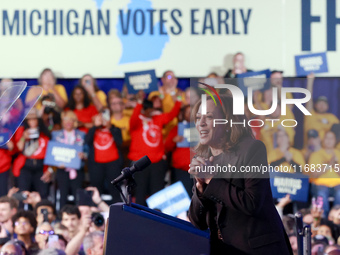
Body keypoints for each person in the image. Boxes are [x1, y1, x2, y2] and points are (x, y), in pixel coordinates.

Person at [188, 94, 292, 254]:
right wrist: (201, 189)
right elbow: (197, 223)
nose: (201, 123)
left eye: (208, 117)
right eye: (198, 117)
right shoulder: (202, 159)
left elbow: (252, 203)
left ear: (228, 122)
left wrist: (211, 179)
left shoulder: (253, 149)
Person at [128, 98, 181, 205]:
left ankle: (156, 218)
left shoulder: (157, 118)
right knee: (140, 192)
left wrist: (178, 100)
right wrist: (138, 103)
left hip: (157, 162)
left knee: (157, 193)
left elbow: (171, 115)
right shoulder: (137, 120)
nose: (150, 112)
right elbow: (133, 119)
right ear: (143, 109)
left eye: (151, 109)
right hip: (140, 163)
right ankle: (138, 218)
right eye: (147, 109)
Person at [85, 112, 123, 202]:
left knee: (115, 189)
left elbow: (119, 142)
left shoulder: (115, 129)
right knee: (96, 189)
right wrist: (95, 126)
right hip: (96, 164)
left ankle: (117, 211)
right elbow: (87, 141)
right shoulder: (93, 130)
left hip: (113, 163)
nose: (103, 120)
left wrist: (110, 128)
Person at [51, 111, 86, 208]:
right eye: (65, 119)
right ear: (62, 122)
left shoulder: (82, 134)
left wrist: (84, 155)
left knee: (77, 195)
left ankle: (78, 217)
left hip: (77, 169)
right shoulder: (55, 135)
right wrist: (57, 163)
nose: (68, 122)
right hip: (62, 169)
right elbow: (52, 152)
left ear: (74, 121)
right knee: (63, 194)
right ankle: (62, 217)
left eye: (71, 119)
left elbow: (88, 150)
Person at [14, 109, 51, 199]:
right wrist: (24, 137)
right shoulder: (22, 130)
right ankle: (21, 212)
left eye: (35, 119)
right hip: (25, 166)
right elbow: (19, 148)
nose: (33, 121)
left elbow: (50, 153)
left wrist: (50, 170)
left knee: (42, 194)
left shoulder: (44, 132)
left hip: (41, 167)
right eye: (30, 119)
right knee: (22, 194)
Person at [308, 131, 340, 216]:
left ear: (335, 140)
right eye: (327, 138)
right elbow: (314, 174)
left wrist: (335, 164)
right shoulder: (315, 154)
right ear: (323, 140)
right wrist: (329, 165)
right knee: (321, 194)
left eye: (331, 138)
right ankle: (323, 220)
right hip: (319, 185)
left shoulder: (338, 153)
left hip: (338, 185)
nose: (329, 140)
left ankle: (336, 217)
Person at [165, 105, 193, 197]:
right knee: (182, 198)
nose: (190, 114)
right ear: (183, 114)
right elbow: (167, 147)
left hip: (199, 170)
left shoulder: (205, 129)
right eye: (187, 112)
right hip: (181, 170)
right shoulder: (176, 129)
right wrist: (173, 140)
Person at [305, 73, 339, 144]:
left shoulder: (332, 117)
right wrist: (310, 80)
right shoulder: (311, 115)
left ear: (328, 106)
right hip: (313, 148)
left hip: (330, 149)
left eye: (324, 103)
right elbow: (308, 100)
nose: (322, 105)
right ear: (315, 105)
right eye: (319, 103)